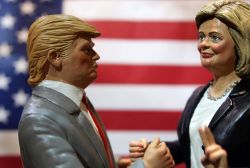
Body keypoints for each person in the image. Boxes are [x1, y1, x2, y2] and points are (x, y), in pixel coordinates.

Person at [129, 0, 250, 167]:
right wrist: (158, 150)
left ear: (241, 44)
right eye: (201, 36)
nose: (203, 44)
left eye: (215, 37)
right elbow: (190, 145)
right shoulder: (198, 95)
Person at [18, 14, 175, 168]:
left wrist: (116, 164)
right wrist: (146, 166)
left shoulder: (76, 103)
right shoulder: (39, 120)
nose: (96, 56)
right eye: (87, 50)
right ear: (55, 57)